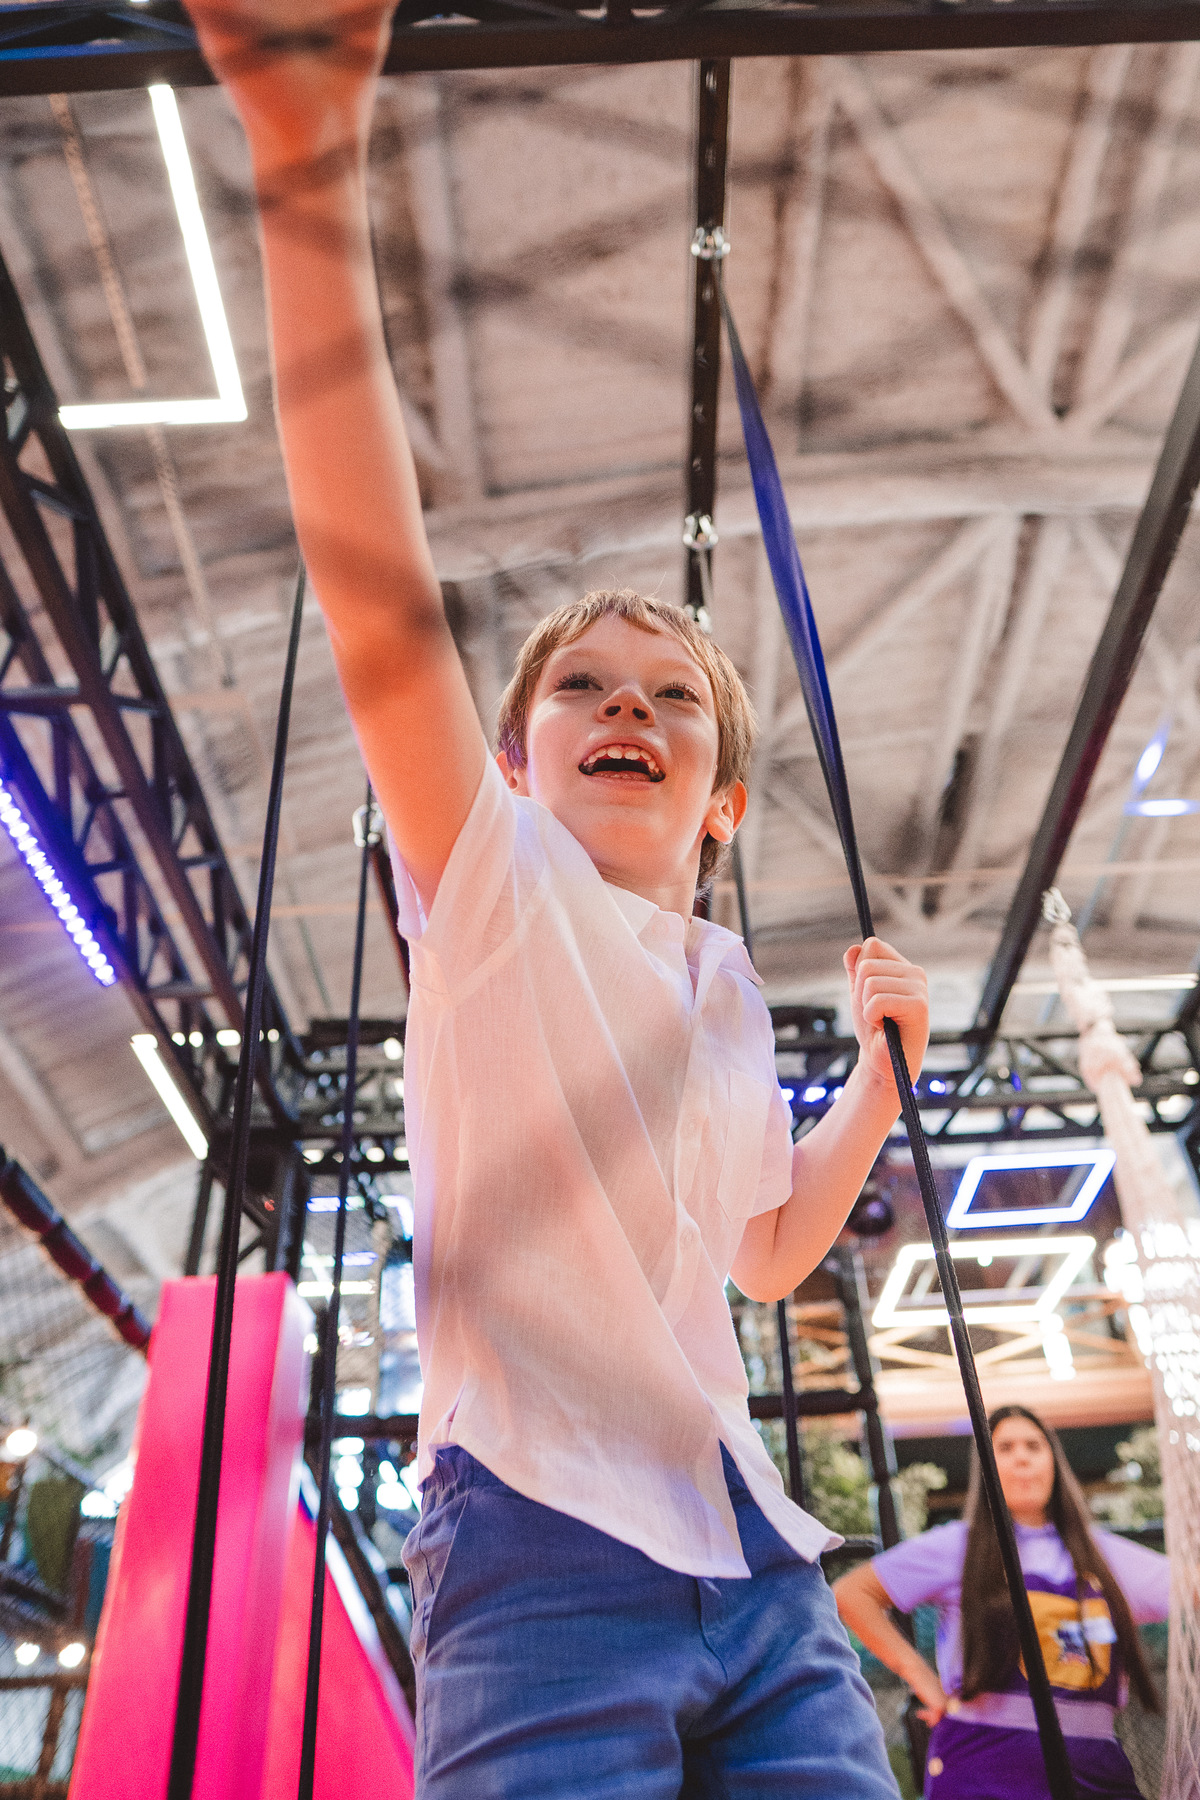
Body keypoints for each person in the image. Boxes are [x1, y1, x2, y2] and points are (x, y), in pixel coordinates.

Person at [187, 2, 931, 1791]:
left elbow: (763, 1251)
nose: (629, 710)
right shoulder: (498, 888)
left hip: (753, 1557)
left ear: (722, 804)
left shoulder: (726, 986)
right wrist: (304, 157)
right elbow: (376, 596)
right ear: (513, 767)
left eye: (673, 699)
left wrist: (877, 1083)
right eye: (584, 689)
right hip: (540, 1543)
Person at [834, 1405, 1169, 1800]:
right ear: (985, 1467)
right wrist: (924, 1682)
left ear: (1054, 1462)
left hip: (1095, 1767)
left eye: (1034, 1446)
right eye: (1005, 1448)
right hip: (985, 1767)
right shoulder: (959, 1545)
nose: (1022, 1457)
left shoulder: (1103, 1554)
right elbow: (851, 1593)